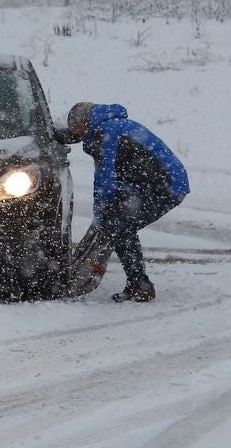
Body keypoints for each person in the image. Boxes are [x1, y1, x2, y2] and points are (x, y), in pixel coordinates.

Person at [64, 102, 190, 302]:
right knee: (119, 224)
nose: (75, 133)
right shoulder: (109, 127)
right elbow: (114, 174)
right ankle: (139, 283)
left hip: (166, 185)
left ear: (85, 121)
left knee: (119, 226)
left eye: (75, 127)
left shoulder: (108, 132)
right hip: (154, 183)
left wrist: (102, 214)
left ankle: (140, 284)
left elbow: (106, 175)